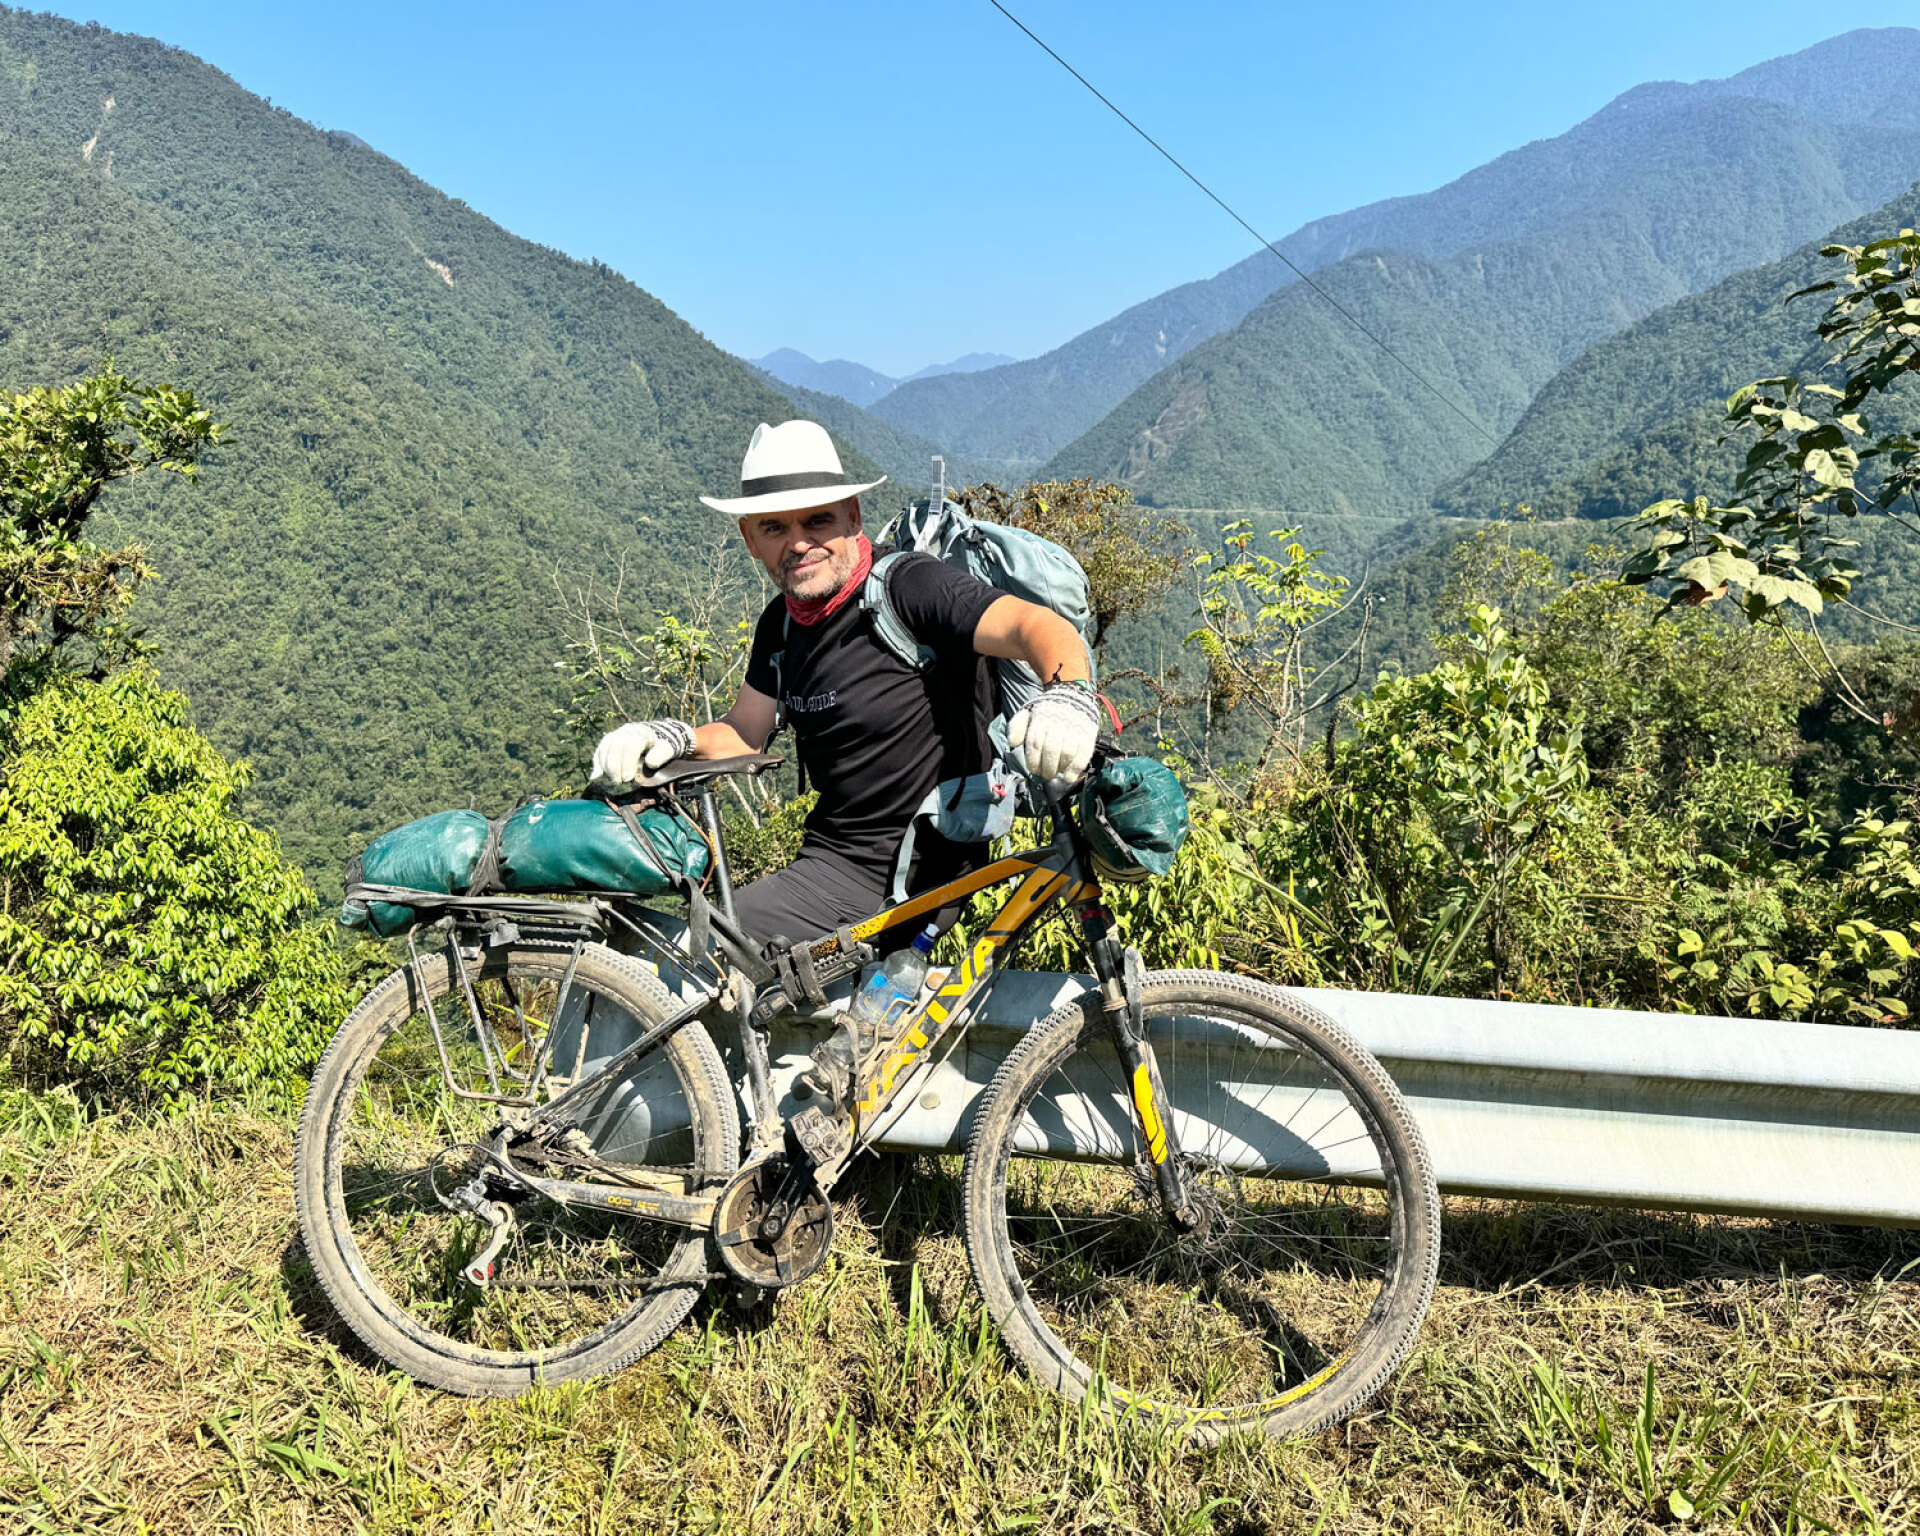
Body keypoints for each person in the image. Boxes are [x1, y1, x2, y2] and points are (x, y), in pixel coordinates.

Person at [590, 418, 1099, 948]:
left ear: (853, 516)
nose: (799, 544)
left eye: (817, 521)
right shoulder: (782, 625)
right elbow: (745, 731)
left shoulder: (910, 588)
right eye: (774, 528)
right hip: (830, 861)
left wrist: (1068, 696)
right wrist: (673, 738)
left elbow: (1035, 626)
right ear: (749, 539)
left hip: (909, 871)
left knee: (699, 950)